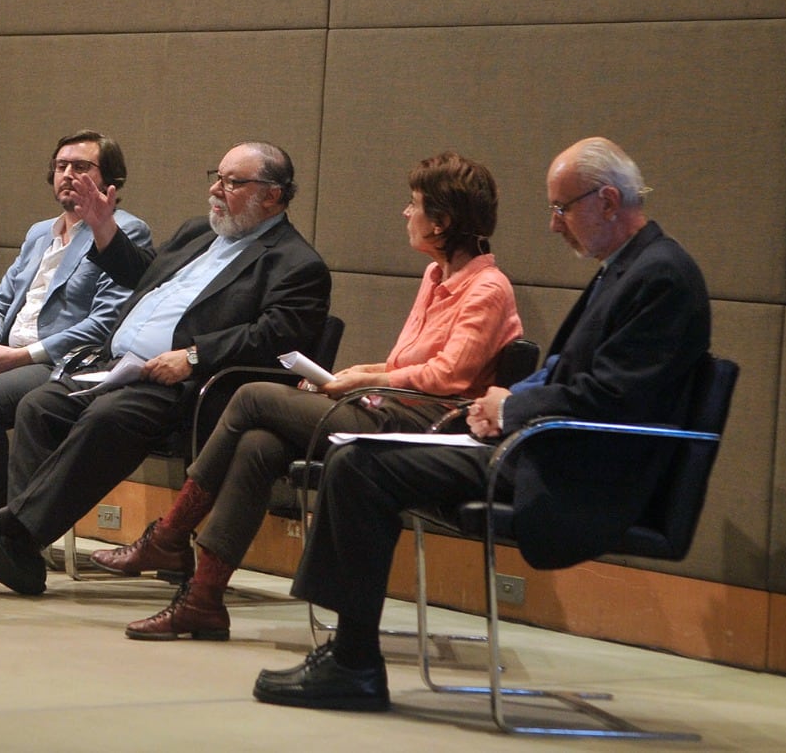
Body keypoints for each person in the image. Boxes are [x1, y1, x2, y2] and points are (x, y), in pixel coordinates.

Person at [253, 137, 710, 713]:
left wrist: (511, 409)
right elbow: (565, 374)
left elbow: (615, 397)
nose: (553, 226)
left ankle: (354, 663)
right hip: (543, 446)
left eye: (561, 208)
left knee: (360, 464)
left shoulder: (660, 276)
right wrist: (506, 398)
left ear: (609, 201)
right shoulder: (628, 268)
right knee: (356, 456)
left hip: (580, 472)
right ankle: (350, 654)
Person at [95, 151, 522, 641]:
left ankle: (170, 535)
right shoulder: (435, 276)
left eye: (415, 205)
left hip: (429, 428)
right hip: (389, 410)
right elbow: (407, 362)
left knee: (255, 397)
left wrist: (357, 382)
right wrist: (349, 374)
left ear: (442, 222)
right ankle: (202, 600)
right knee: (260, 443)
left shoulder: (488, 288)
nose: (406, 213)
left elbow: (447, 378)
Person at [0, 141, 332, 596]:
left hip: (189, 385)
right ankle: (25, 548)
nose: (216, 189)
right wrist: (102, 227)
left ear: (272, 195)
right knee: (42, 405)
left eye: (232, 182)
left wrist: (194, 355)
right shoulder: (199, 233)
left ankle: (15, 532)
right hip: (117, 365)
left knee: (108, 417)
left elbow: (278, 335)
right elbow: (142, 274)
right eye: (216, 176)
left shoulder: (297, 263)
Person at [0, 130, 152, 514]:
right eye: (61, 166)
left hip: (57, 362)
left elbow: (105, 323)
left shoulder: (123, 231)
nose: (68, 173)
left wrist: (21, 356)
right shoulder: (40, 232)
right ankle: (1, 501)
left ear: (110, 179)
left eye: (81, 166)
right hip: (3, 354)